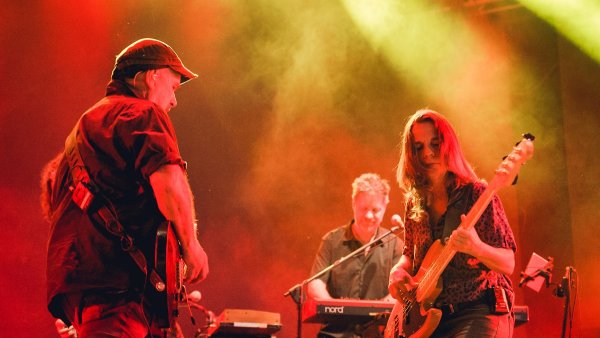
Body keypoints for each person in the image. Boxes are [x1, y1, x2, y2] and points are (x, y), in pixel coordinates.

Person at [43, 38, 209, 337]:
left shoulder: (84, 129)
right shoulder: (142, 113)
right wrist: (191, 246)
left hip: (84, 289)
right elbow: (170, 184)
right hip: (119, 290)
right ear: (151, 76)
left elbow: (53, 195)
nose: (174, 101)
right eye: (173, 88)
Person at [388, 109, 517, 337]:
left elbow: (508, 263)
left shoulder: (477, 195)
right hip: (430, 317)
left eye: (435, 144)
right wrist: (398, 270)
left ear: (449, 146)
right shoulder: (415, 202)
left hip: (477, 309)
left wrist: (476, 248)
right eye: (419, 148)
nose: (427, 153)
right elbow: (410, 254)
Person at [307, 173, 404, 338]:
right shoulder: (332, 241)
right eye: (363, 208)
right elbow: (315, 282)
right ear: (353, 204)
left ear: (385, 207)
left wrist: (381, 306)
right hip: (334, 333)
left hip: (376, 334)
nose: (368, 216)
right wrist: (336, 308)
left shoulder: (395, 245)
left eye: (375, 210)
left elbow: (400, 290)